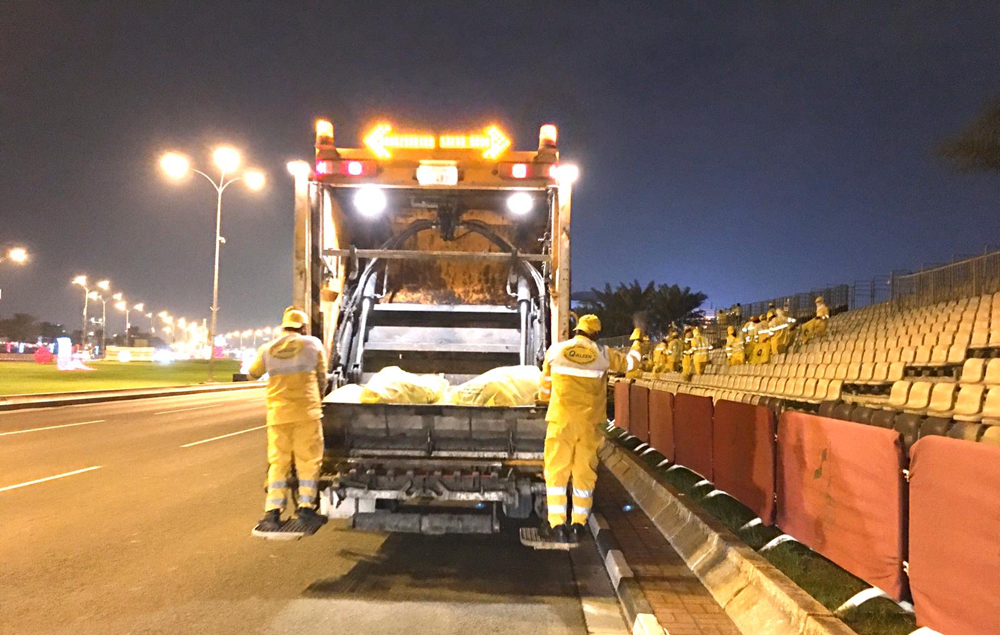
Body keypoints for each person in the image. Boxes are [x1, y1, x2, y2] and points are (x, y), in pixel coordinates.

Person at [536, 315, 632, 544]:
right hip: (589, 424)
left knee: (557, 472)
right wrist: (637, 340)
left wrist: (545, 398)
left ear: (577, 330)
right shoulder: (603, 354)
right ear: (595, 334)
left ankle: (557, 525)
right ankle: (579, 524)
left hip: (561, 421)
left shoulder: (556, 351)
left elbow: (545, 388)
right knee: (584, 474)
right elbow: (631, 364)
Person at [248, 307, 329, 537]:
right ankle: (305, 508)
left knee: (278, 462)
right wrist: (319, 396)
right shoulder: (313, 344)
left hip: (278, 414)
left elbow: (252, 373)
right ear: (303, 327)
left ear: (284, 325)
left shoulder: (268, 348)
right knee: (308, 461)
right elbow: (322, 376)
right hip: (306, 413)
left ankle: (272, 512)